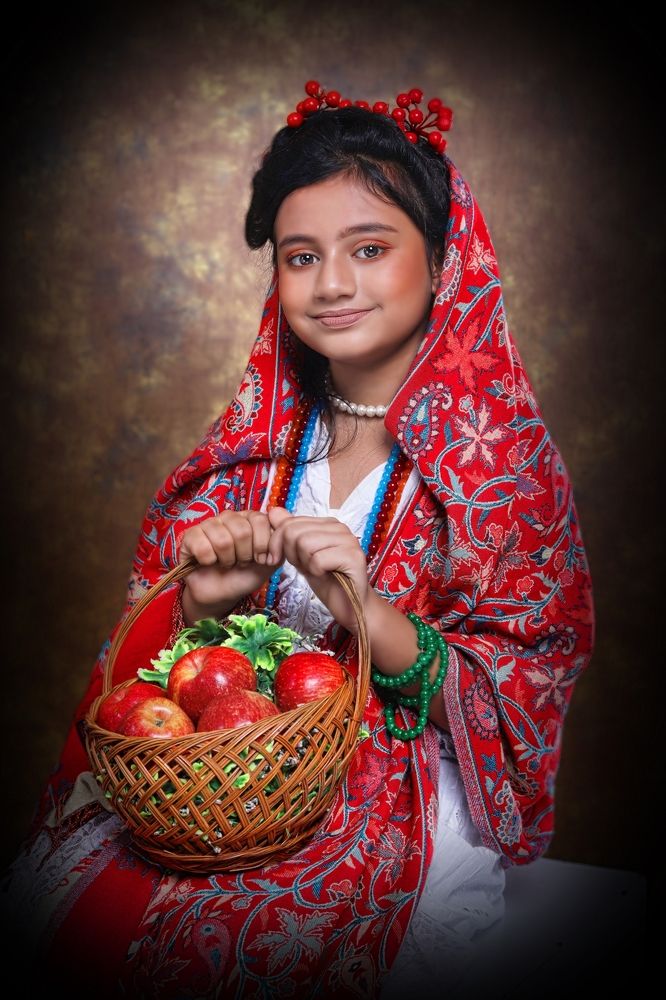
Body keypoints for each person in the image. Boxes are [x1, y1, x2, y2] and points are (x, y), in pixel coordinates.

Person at [1, 82, 595, 998]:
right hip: (233, 761)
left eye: (369, 248)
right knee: (71, 910)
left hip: (391, 778)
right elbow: (157, 675)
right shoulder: (255, 447)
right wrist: (202, 604)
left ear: (443, 261)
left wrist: (367, 614)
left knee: (235, 946)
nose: (332, 284)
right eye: (300, 256)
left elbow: (522, 693)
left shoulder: (503, 467)